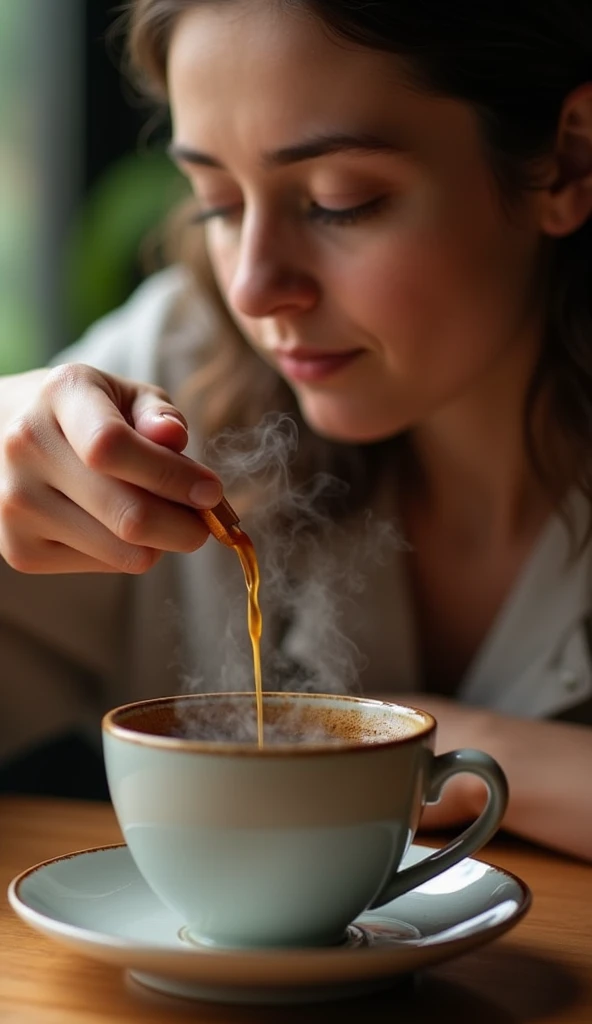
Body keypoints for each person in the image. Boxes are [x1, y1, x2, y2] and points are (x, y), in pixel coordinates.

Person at [0, 0, 591, 859]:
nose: (252, 287)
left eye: (338, 202)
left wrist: (438, 750)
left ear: (568, 161)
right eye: (216, 203)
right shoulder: (181, 367)